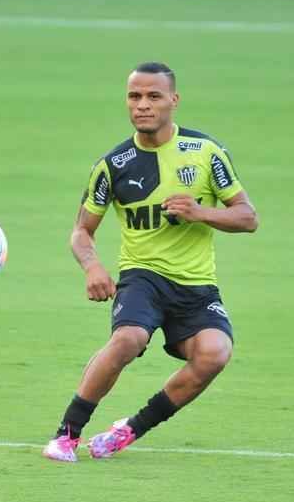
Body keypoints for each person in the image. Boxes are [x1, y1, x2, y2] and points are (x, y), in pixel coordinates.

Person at [43, 62, 258, 463]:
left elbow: (248, 217)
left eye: (153, 96)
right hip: (143, 278)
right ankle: (66, 435)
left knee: (215, 354)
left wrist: (200, 212)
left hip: (196, 284)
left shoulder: (206, 153)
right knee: (128, 339)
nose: (142, 105)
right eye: (134, 96)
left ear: (173, 100)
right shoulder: (113, 165)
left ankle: (128, 430)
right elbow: (81, 231)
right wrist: (92, 267)